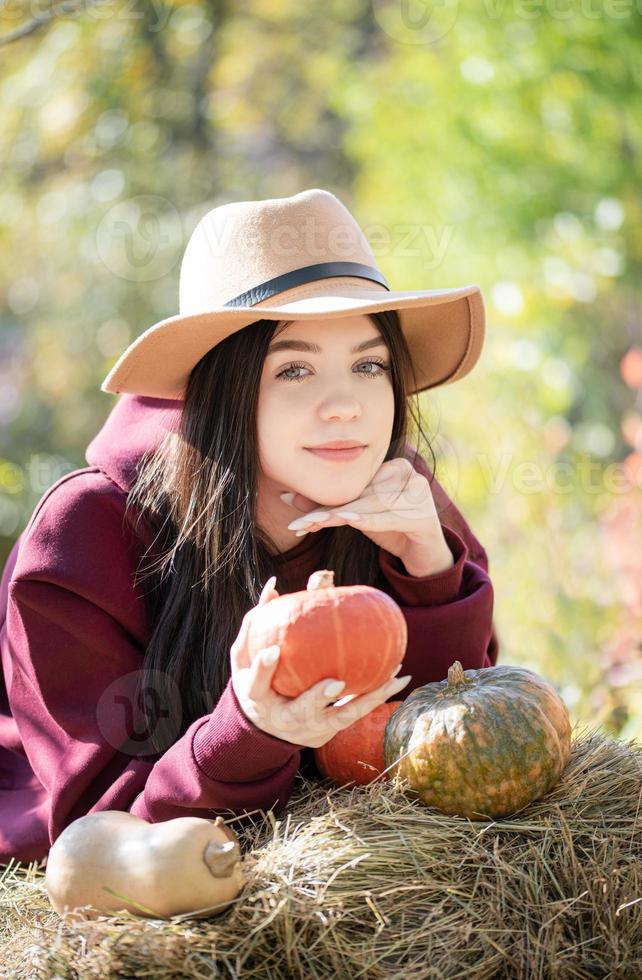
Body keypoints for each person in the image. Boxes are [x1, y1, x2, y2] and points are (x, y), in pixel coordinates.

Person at [0, 188, 498, 866]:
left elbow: (464, 745)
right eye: (294, 368)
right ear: (222, 388)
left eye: (368, 364)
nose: (346, 407)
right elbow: (101, 837)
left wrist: (430, 570)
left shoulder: (398, 490)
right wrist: (251, 729)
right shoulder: (87, 535)